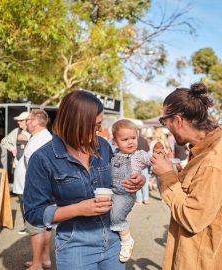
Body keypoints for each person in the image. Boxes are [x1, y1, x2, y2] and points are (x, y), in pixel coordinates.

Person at [23, 91, 144, 270]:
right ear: (74, 122)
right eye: (94, 126)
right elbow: (34, 213)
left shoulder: (102, 145)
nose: (98, 131)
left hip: (113, 238)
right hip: (75, 244)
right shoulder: (43, 158)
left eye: (99, 125)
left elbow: (118, 179)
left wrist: (135, 180)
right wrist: (78, 209)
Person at [151, 83, 222, 269]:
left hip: (204, 261)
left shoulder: (213, 160)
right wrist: (175, 172)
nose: (165, 126)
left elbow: (193, 218)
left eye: (164, 121)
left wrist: (167, 175)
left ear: (177, 120)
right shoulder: (206, 148)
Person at [14, 109, 53, 270]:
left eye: (28, 119)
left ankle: (37, 264)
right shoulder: (39, 137)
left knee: (35, 226)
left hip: (34, 191)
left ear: (35, 122)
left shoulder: (41, 139)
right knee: (44, 225)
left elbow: (39, 168)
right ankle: (44, 260)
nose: (25, 122)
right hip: (36, 190)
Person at [110, 119, 152, 262]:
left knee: (116, 216)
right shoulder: (114, 154)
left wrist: (158, 153)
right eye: (125, 139)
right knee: (108, 212)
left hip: (126, 194)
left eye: (133, 138)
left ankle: (126, 239)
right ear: (115, 141)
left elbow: (150, 158)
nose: (130, 142)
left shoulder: (139, 155)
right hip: (113, 191)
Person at [135, 132, 151, 205]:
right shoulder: (144, 140)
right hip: (144, 164)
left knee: (137, 182)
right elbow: (148, 151)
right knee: (145, 182)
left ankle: (139, 200)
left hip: (136, 164)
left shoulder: (133, 140)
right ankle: (146, 199)